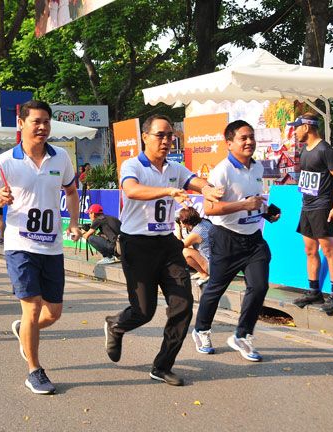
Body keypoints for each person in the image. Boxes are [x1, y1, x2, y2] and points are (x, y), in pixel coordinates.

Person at [103, 114, 221, 387]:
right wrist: (168, 191)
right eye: (161, 135)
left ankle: (162, 365)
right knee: (144, 311)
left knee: (183, 305)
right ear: (145, 137)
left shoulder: (175, 168)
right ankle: (115, 325)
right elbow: (131, 191)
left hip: (167, 244)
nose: (167, 140)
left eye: (170, 135)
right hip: (136, 244)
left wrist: (209, 190)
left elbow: (195, 181)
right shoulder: (134, 165)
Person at [0, 100, 81, 395]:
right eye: (36, 121)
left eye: (46, 121)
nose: (43, 127)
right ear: (21, 124)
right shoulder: (5, 162)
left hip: (52, 246)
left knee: (54, 312)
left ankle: (23, 329)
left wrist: (73, 221)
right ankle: (34, 371)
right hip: (20, 245)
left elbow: (71, 191)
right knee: (33, 309)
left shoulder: (60, 157)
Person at [192, 120, 280, 361]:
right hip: (226, 239)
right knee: (216, 288)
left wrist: (266, 211)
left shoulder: (258, 168)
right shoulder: (221, 171)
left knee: (260, 286)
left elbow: (253, 200)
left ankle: (242, 335)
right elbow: (209, 209)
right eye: (243, 138)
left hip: (253, 239)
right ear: (229, 143)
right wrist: (243, 205)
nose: (249, 141)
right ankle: (201, 330)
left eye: (251, 137)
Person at [289, 114, 333, 314]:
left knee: (329, 250)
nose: (294, 131)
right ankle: (314, 291)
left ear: (307, 127)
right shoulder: (305, 150)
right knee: (310, 250)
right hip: (307, 206)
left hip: (322, 206)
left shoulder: (325, 150)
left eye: (296, 127)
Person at [176, 206, 211, 287]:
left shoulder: (196, 233)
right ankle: (201, 271)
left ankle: (204, 274)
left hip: (212, 267)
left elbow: (178, 246)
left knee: (184, 252)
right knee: (192, 248)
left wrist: (178, 228)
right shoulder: (205, 222)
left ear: (185, 222)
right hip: (218, 263)